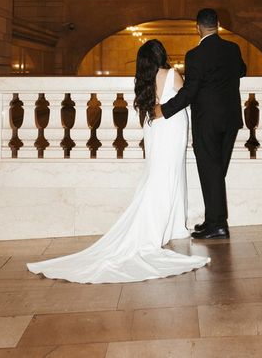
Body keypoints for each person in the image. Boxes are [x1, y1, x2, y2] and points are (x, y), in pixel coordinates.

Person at [27, 39, 210, 283]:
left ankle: (173, 224)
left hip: (155, 130)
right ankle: (168, 225)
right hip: (172, 128)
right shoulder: (171, 75)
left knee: (159, 173)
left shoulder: (143, 81)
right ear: (161, 55)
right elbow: (184, 98)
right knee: (171, 174)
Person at [154, 9, 247, 240]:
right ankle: (213, 221)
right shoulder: (233, 49)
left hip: (207, 121)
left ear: (198, 27)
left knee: (211, 171)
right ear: (218, 24)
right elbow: (242, 70)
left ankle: (218, 225)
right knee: (216, 172)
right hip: (231, 119)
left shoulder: (195, 55)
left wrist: (164, 110)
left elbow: (190, 91)